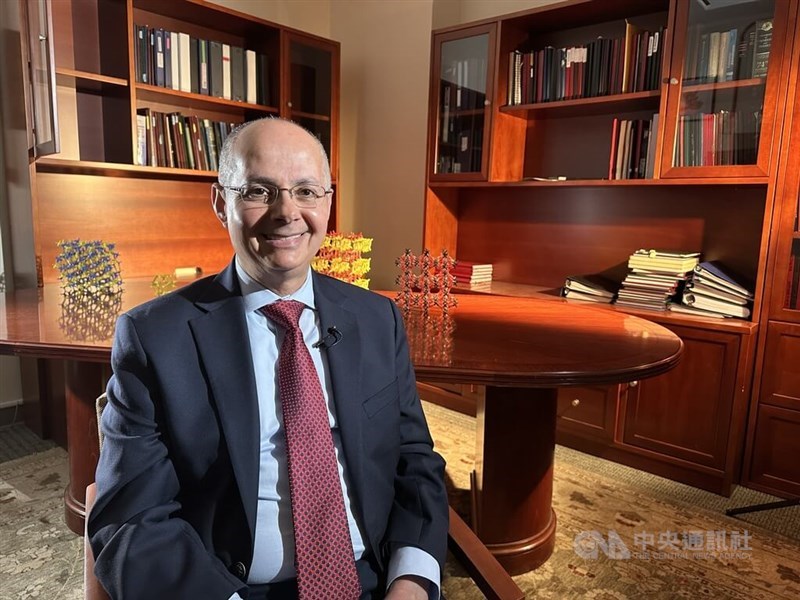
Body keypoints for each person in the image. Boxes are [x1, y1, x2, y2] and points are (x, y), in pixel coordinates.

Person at [88, 118, 449, 600]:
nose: (287, 212)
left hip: (373, 579)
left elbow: (414, 461)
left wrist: (413, 580)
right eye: (260, 191)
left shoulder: (378, 318)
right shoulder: (155, 337)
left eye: (306, 191)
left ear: (328, 201)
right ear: (222, 203)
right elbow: (131, 518)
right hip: (227, 588)